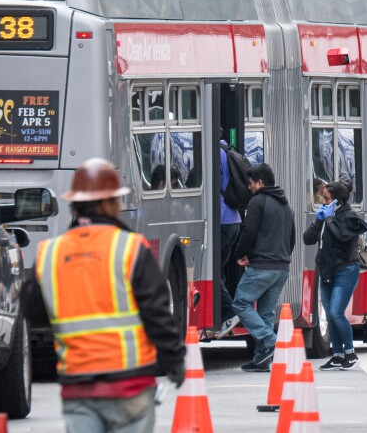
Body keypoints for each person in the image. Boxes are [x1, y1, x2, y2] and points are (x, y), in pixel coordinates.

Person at [26, 158, 186, 433]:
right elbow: (157, 313)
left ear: (74, 204)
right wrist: (174, 361)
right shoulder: (131, 249)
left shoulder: (50, 254)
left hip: (79, 388)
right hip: (130, 387)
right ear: (112, 203)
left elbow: (32, 310)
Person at [231, 163, 296, 371]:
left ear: (260, 183)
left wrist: (240, 254)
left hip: (262, 266)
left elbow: (248, 231)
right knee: (266, 313)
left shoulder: (258, 202)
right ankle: (261, 359)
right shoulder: (286, 206)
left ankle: (269, 340)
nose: (249, 188)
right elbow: (292, 238)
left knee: (241, 302)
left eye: (251, 183)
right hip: (281, 268)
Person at [303, 181, 367, 371]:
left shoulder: (349, 217)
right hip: (326, 270)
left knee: (336, 312)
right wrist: (318, 220)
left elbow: (342, 236)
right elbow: (307, 238)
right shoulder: (325, 217)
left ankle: (350, 353)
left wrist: (330, 219)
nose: (322, 201)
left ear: (338, 202)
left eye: (326, 198)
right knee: (329, 315)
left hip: (345, 270)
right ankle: (337, 354)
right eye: (322, 197)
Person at [215, 134, 243, 339]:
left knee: (213, 272)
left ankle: (230, 311)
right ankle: (223, 313)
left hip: (222, 219)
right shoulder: (228, 151)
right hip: (234, 219)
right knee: (221, 269)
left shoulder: (214, 153)